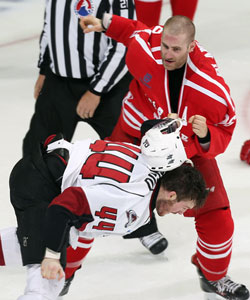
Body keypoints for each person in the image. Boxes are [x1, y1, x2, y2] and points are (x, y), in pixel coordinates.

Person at [78, 14, 250, 300]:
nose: (167, 55)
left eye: (176, 49)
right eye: (165, 47)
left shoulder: (211, 89)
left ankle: (213, 276)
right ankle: (65, 267)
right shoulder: (146, 51)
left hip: (185, 149)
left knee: (217, 216)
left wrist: (206, 135)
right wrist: (106, 23)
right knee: (94, 199)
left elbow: (226, 128)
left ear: (191, 47)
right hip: (133, 137)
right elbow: (135, 31)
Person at [0, 118, 207, 300]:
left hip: (45, 168)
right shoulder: (133, 200)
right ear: (172, 195)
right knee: (46, 286)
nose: (181, 213)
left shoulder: (153, 158)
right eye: (184, 207)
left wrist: (169, 123)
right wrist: (52, 255)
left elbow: (149, 128)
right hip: (41, 184)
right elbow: (62, 207)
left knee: (39, 242)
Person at [22, 0, 135, 156]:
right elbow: (49, 28)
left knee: (127, 152)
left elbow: (124, 44)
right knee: (38, 152)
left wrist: (96, 91)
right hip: (59, 82)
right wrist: (44, 70)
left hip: (109, 89)